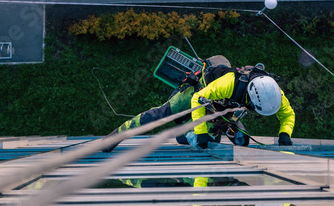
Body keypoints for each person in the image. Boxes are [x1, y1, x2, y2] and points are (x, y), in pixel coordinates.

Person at [102, 55, 295, 152]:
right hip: (198, 92)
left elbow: (287, 114)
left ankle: (186, 136)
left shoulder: (273, 92)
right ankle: (116, 135)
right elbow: (198, 99)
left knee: (234, 141)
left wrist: (284, 133)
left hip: (224, 107)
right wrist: (201, 133)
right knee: (161, 115)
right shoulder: (229, 84)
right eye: (253, 107)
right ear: (251, 97)